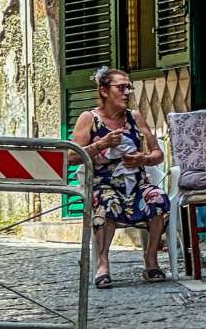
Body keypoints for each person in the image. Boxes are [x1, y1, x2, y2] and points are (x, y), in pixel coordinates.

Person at [69, 67, 170, 289]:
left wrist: (142, 159)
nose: (127, 92)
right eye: (121, 87)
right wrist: (102, 144)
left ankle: (151, 259)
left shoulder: (134, 117)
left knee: (158, 198)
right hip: (104, 184)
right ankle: (102, 263)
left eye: (129, 88)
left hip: (136, 185)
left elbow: (158, 154)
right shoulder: (89, 118)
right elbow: (71, 157)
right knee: (107, 203)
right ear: (104, 91)